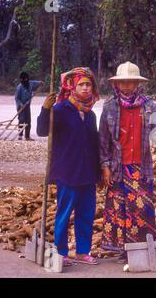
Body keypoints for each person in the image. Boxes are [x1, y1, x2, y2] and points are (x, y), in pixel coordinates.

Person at [37, 67, 101, 266]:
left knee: (86, 214)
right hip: (67, 172)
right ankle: (61, 253)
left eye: (88, 84)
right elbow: (40, 131)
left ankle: (83, 252)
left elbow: (94, 144)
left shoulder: (90, 114)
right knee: (63, 214)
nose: (85, 88)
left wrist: (98, 173)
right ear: (72, 86)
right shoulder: (60, 110)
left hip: (88, 173)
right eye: (81, 84)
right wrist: (45, 109)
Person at [99, 61, 156, 263]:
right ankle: (124, 249)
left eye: (130, 82)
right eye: (123, 82)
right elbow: (103, 141)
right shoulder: (109, 107)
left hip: (141, 166)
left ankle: (140, 248)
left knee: (141, 208)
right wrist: (105, 166)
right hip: (118, 166)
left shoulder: (150, 106)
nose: (126, 86)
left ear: (137, 84)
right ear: (116, 84)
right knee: (119, 209)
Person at [15, 72, 44, 140]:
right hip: (20, 106)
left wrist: (41, 84)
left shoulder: (31, 83)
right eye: (21, 80)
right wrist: (21, 105)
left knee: (28, 120)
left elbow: (39, 83)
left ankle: (27, 136)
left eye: (24, 80)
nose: (23, 82)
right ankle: (20, 135)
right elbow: (17, 98)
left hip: (27, 105)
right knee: (21, 120)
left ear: (27, 79)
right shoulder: (19, 87)